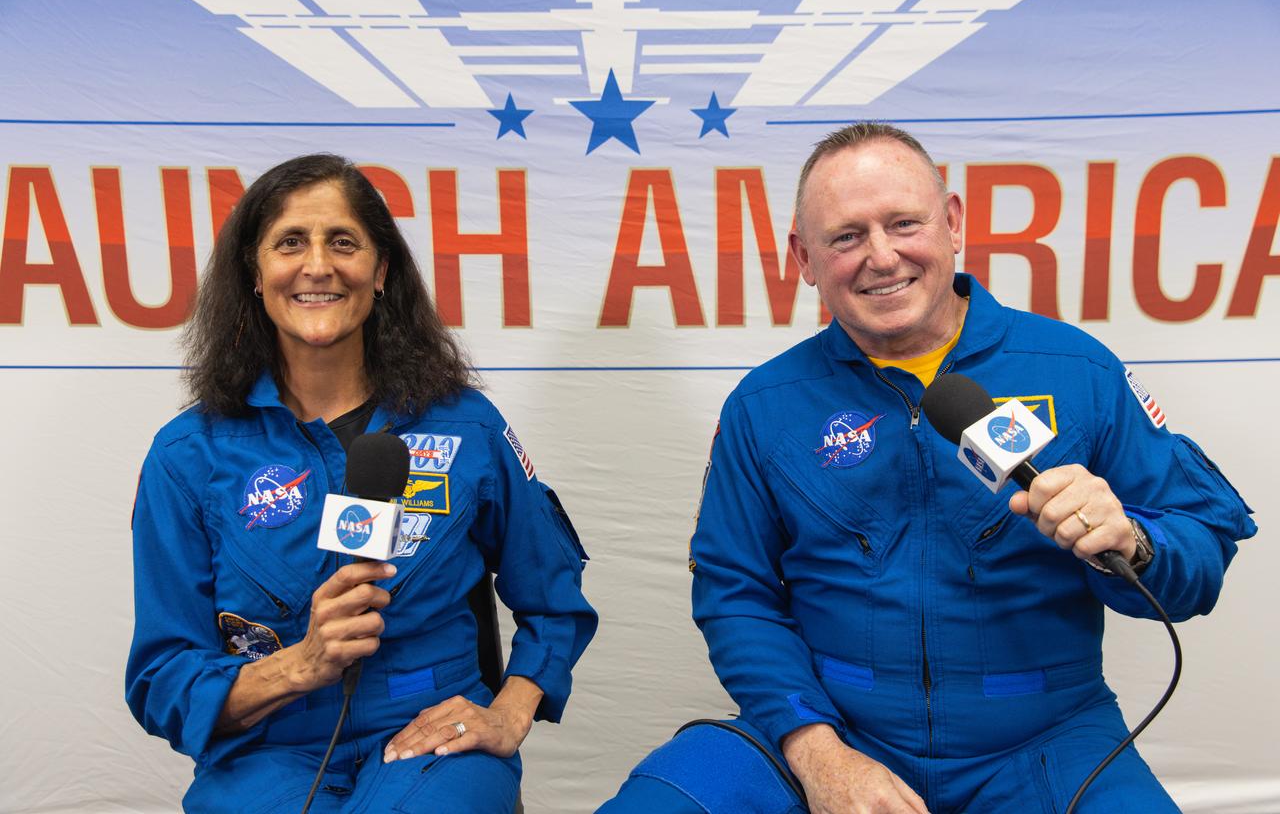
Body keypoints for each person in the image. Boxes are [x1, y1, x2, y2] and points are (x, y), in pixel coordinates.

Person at [598, 123, 1256, 813]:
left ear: (952, 224)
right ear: (804, 257)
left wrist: (1134, 544)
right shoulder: (764, 406)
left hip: (1048, 738)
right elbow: (735, 594)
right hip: (830, 729)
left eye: (904, 223)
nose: (881, 257)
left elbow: (1201, 547)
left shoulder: (1077, 370)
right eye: (846, 236)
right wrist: (818, 754)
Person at [125, 154, 597, 813]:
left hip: (428, 738)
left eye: (342, 242)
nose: (317, 265)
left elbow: (554, 597)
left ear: (380, 273)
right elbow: (161, 681)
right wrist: (302, 664)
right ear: (254, 277)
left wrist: (511, 711)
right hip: (266, 751)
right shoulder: (188, 454)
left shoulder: (466, 428)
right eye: (290, 242)